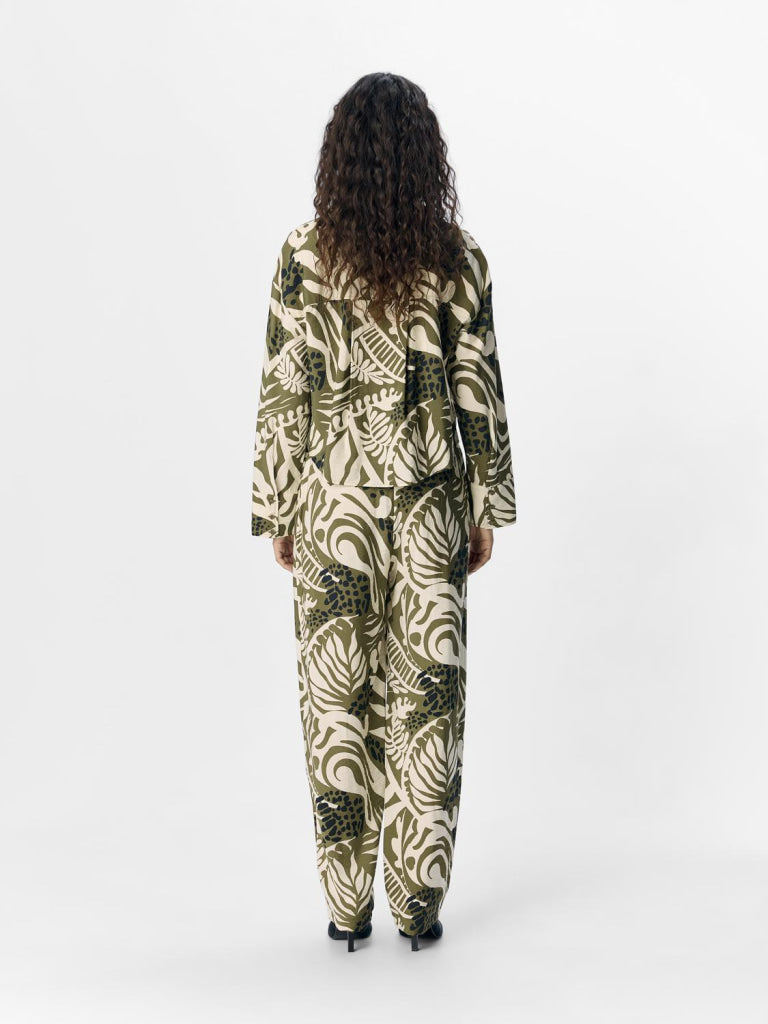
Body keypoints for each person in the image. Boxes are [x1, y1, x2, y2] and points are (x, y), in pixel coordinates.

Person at [250, 72, 516, 952]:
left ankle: (345, 907)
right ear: (426, 159)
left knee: (337, 704)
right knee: (426, 705)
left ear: (340, 157)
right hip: (431, 498)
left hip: (333, 501)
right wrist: (485, 504)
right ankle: (416, 908)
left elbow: (285, 387)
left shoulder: (304, 255)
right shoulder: (458, 258)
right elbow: (477, 389)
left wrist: (278, 506)